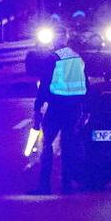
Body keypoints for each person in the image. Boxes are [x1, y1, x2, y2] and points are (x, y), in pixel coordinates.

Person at [30, 29, 87, 195]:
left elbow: (45, 86)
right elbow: (86, 83)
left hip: (57, 107)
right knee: (68, 145)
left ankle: (44, 185)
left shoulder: (52, 58)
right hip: (74, 107)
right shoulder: (77, 57)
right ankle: (66, 184)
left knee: (46, 144)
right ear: (67, 39)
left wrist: (37, 108)